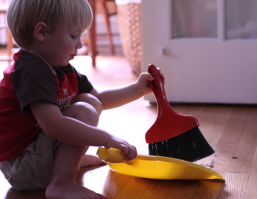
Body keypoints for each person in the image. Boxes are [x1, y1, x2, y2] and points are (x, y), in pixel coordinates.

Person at [0, 0, 164, 199]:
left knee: (89, 101)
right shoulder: (31, 71)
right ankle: (62, 181)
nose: (80, 43)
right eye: (74, 35)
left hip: (37, 155)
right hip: (23, 167)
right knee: (84, 110)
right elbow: (54, 125)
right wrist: (107, 139)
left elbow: (99, 99)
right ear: (41, 32)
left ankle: (67, 162)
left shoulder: (58, 66)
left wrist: (137, 90)